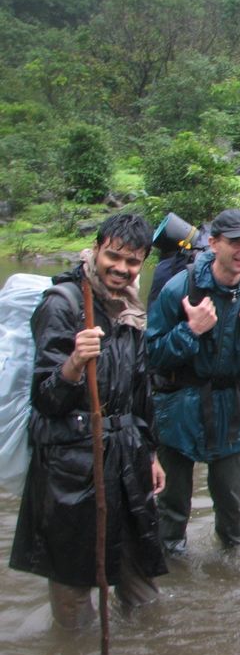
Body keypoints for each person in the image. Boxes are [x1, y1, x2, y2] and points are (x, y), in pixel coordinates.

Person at [9, 213, 168, 629]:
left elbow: (140, 391)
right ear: (96, 250)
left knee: (141, 579)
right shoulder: (62, 304)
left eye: (132, 262)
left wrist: (151, 453)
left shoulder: (129, 309)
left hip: (125, 455)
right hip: (68, 464)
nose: (121, 268)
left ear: (143, 263)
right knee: (72, 583)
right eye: (113, 257)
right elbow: (45, 397)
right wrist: (75, 363)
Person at [146, 209, 240, 554]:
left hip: (232, 407)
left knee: (231, 503)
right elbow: (151, 356)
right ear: (213, 242)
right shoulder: (180, 287)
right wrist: (190, 331)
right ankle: (172, 568)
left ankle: (232, 566)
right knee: (172, 505)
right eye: (236, 242)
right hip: (177, 407)